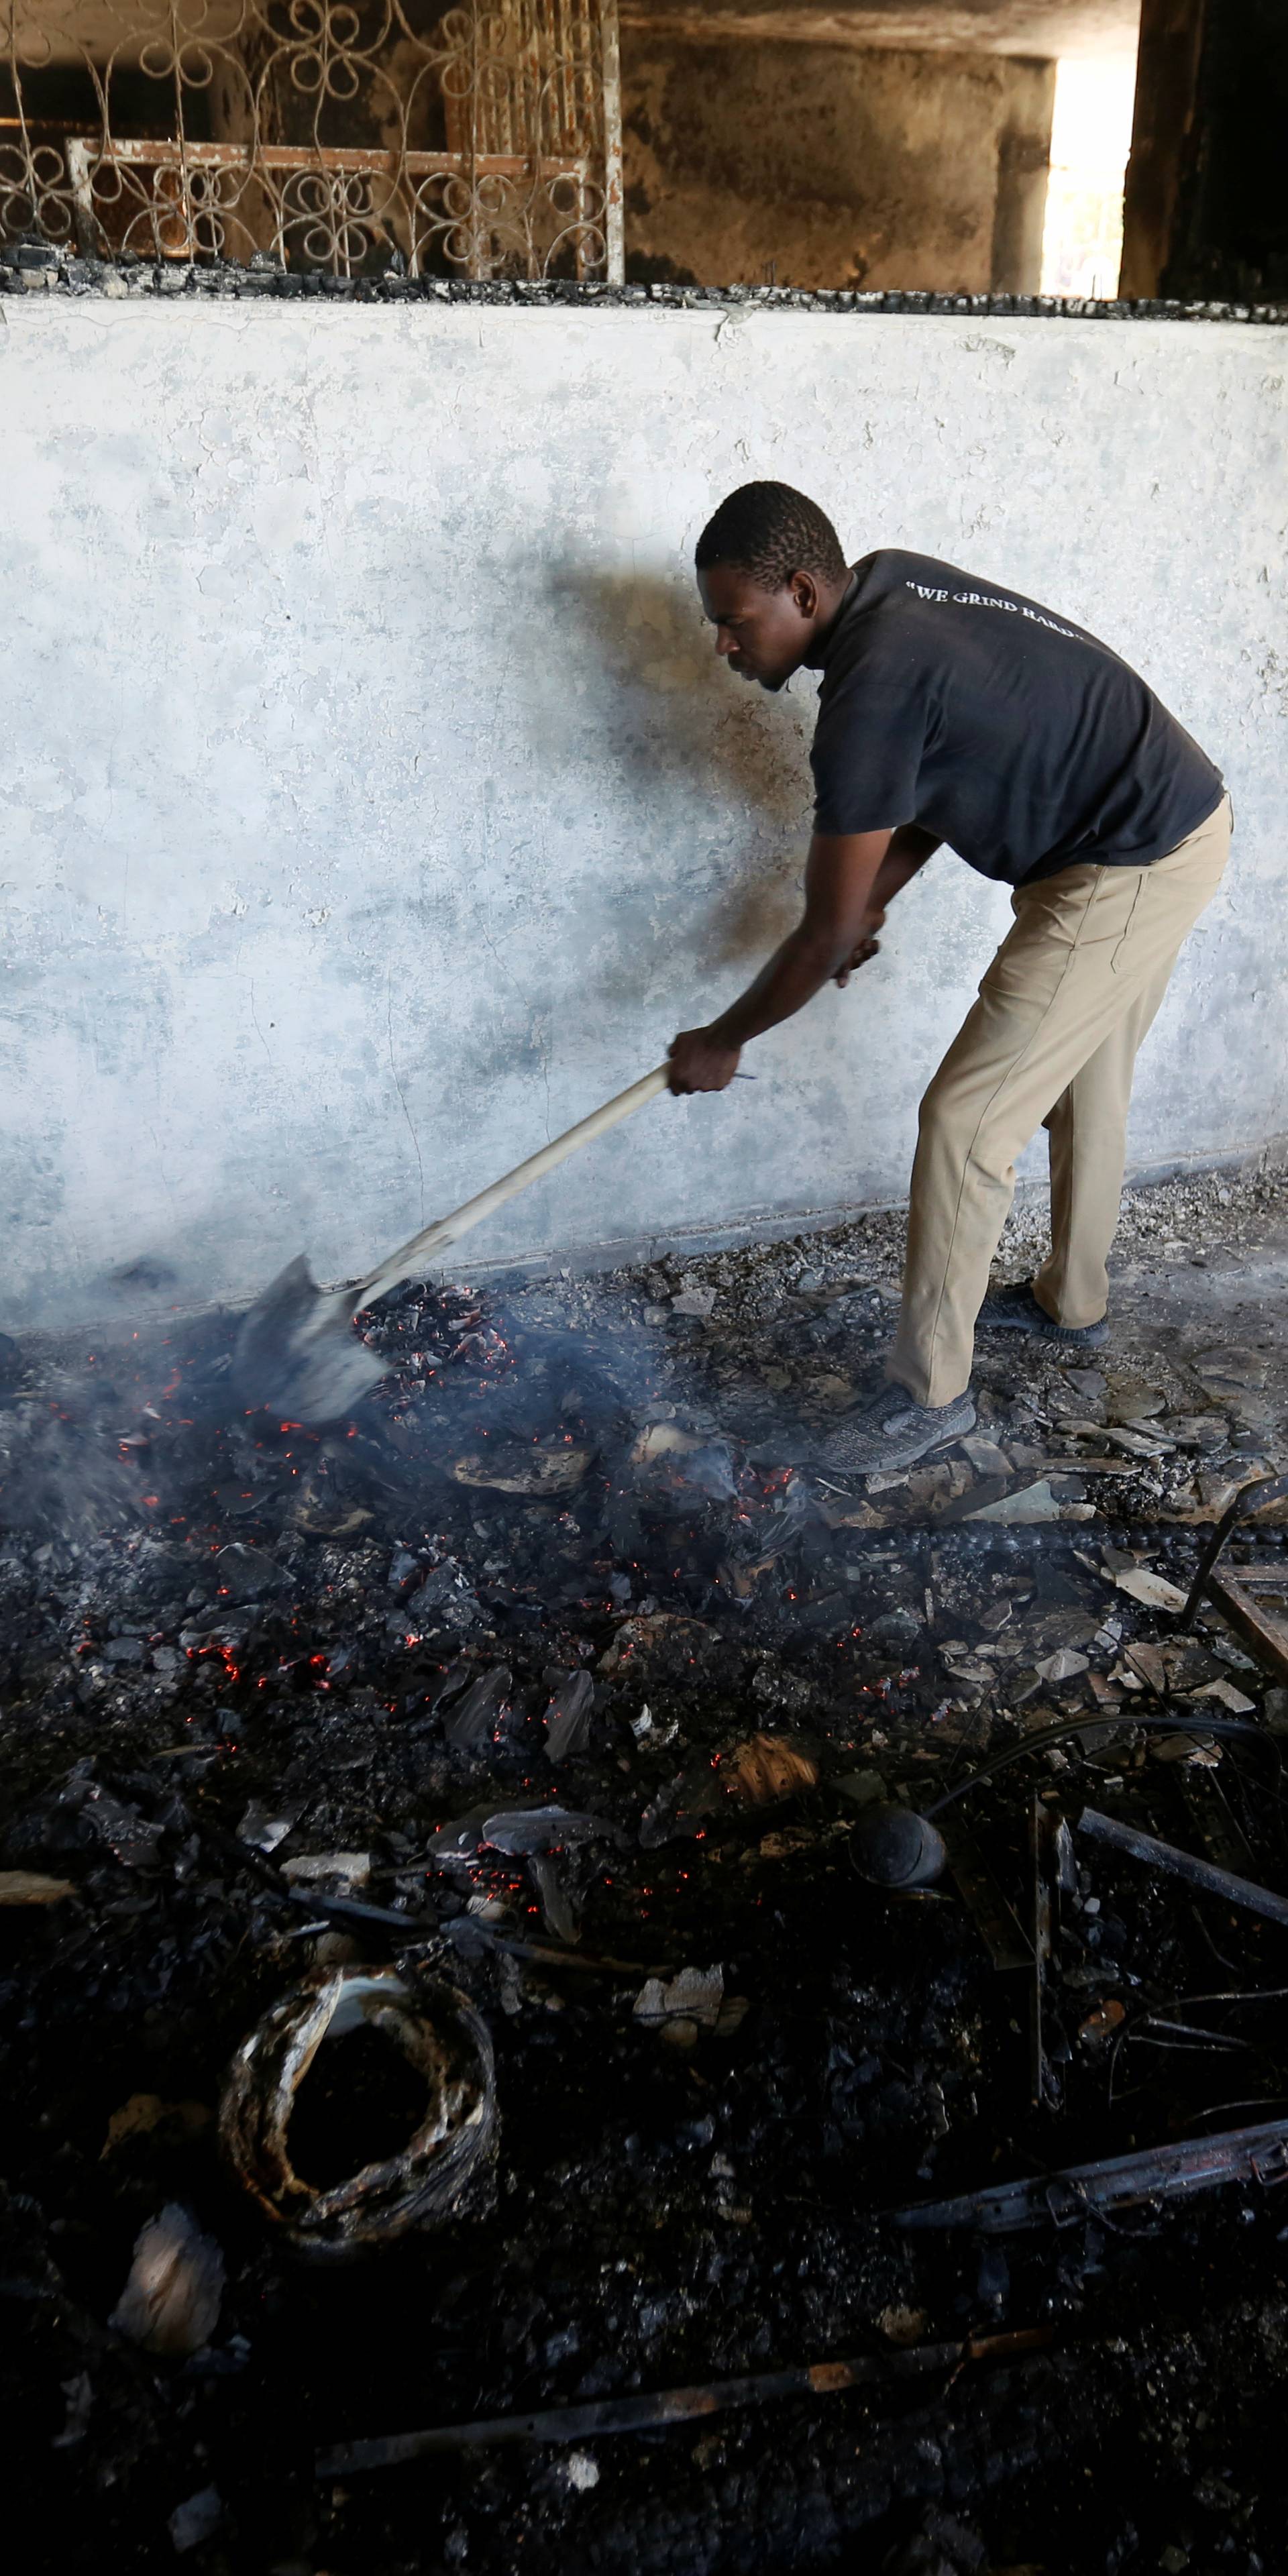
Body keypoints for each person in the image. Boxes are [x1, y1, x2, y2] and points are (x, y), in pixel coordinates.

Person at [667, 480, 1230, 1475]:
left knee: (966, 1123)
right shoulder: (892, 590)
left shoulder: (868, 693)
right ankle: (1073, 1305)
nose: (724, 645)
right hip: (1172, 817)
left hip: (1127, 857)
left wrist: (725, 1039)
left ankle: (929, 1396)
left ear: (801, 591)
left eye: (733, 621)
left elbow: (820, 929)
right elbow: (938, 769)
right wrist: (866, 908)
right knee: (1083, 1075)